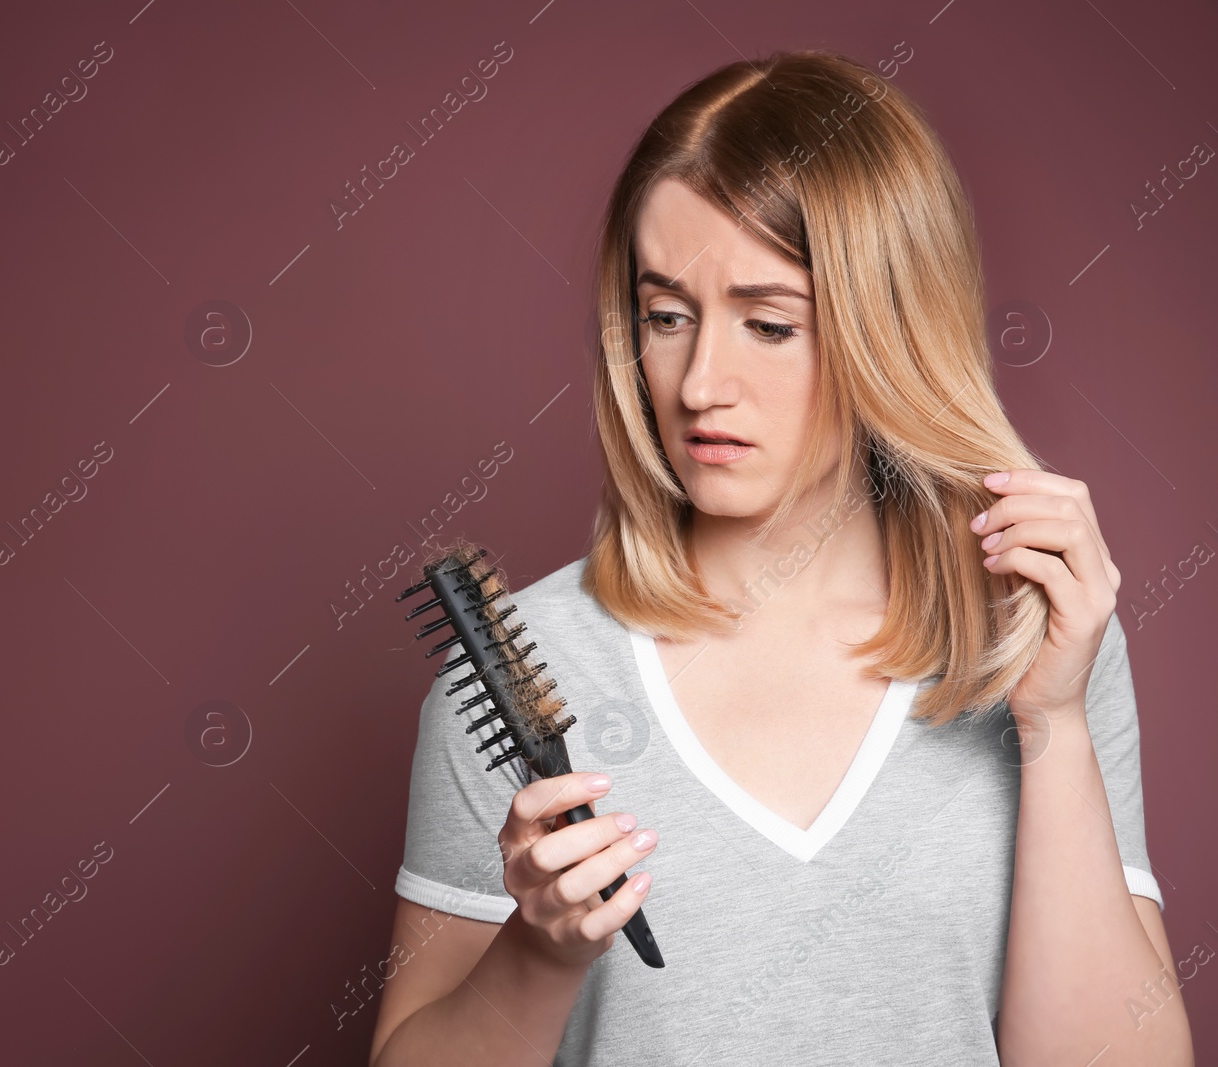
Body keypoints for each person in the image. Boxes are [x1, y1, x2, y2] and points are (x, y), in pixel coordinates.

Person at [368, 48, 1194, 1066]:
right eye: (666, 316)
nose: (699, 381)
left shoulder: (1030, 647)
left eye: (767, 324)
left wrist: (1053, 722)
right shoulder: (516, 673)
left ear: (890, 329)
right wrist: (538, 952)